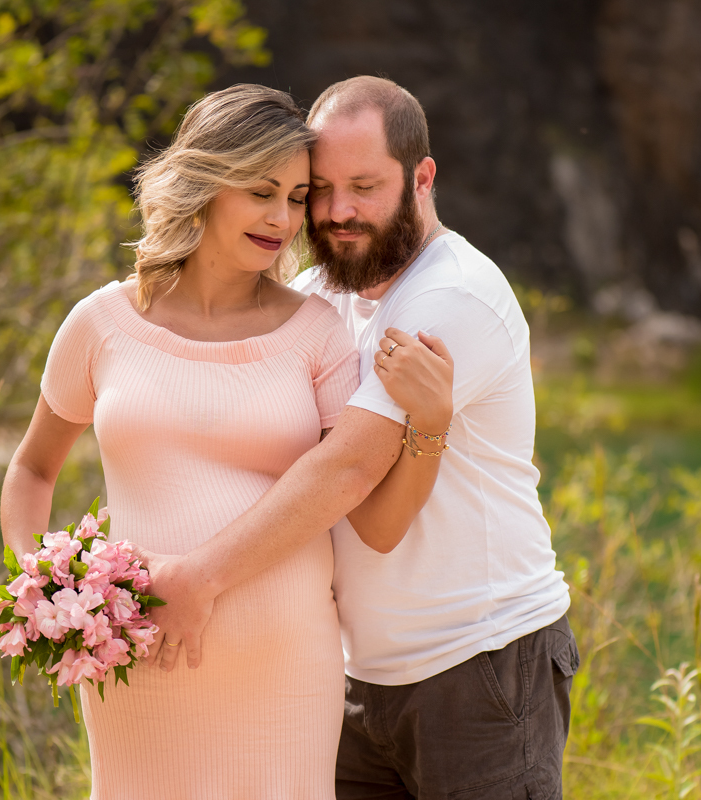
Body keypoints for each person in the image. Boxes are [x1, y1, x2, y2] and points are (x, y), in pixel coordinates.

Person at [0, 84, 454, 800]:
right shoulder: (101, 323)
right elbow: (31, 469)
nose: (284, 218)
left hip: (283, 669)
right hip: (138, 661)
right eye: (260, 191)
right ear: (206, 183)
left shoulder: (317, 334)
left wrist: (430, 426)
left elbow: (378, 518)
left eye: (298, 197)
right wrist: (43, 589)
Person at [142, 76, 578, 799]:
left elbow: (348, 474)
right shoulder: (319, 297)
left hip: (482, 667)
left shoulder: (451, 296)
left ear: (423, 178)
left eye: (365, 187)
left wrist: (199, 578)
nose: (338, 212)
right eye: (321, 189)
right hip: (353, 678)